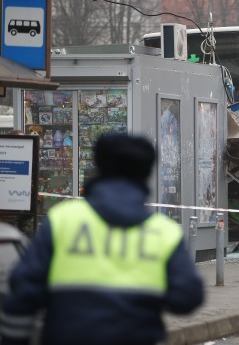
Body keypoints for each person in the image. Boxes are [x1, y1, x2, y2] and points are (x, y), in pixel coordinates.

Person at [0, 134, 205, 345]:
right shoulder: (163, 232)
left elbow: (23, 292)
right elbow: (188, 298)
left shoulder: (64, 220)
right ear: (147, 173)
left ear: (98, 166)